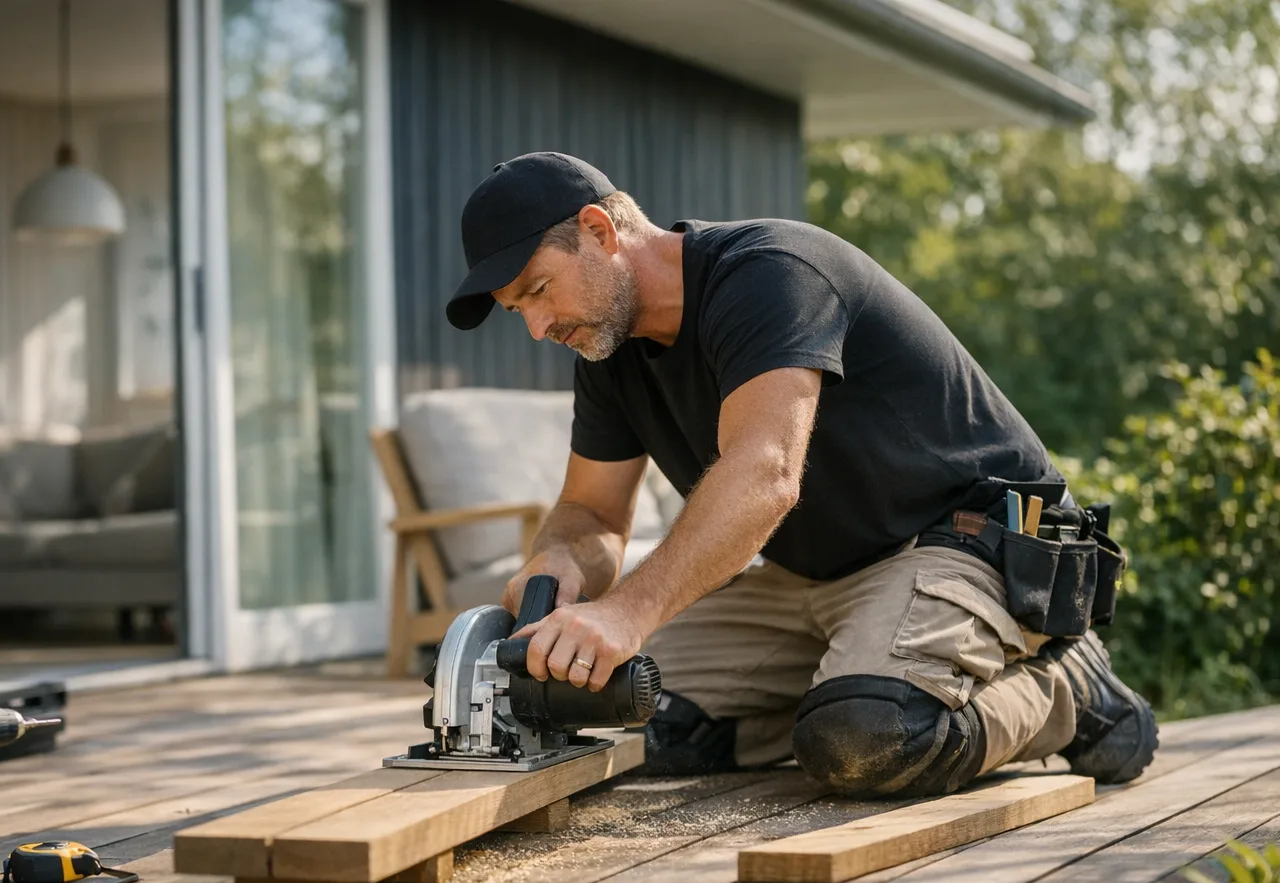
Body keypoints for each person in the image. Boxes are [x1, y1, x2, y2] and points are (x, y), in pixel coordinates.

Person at [442, 151, 1157, 797]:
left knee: (866, 739)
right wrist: (558, 566)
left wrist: (627, 612)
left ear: (598, 230)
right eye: (517, 311)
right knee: (639, 719)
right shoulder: (608, 354)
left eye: (538, 290)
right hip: (811, 578)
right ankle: (860, 681)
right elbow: (592, 515)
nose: (538, 328)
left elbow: (766, 473)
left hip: (964, 543)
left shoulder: (769, 273)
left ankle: (1065, 685)